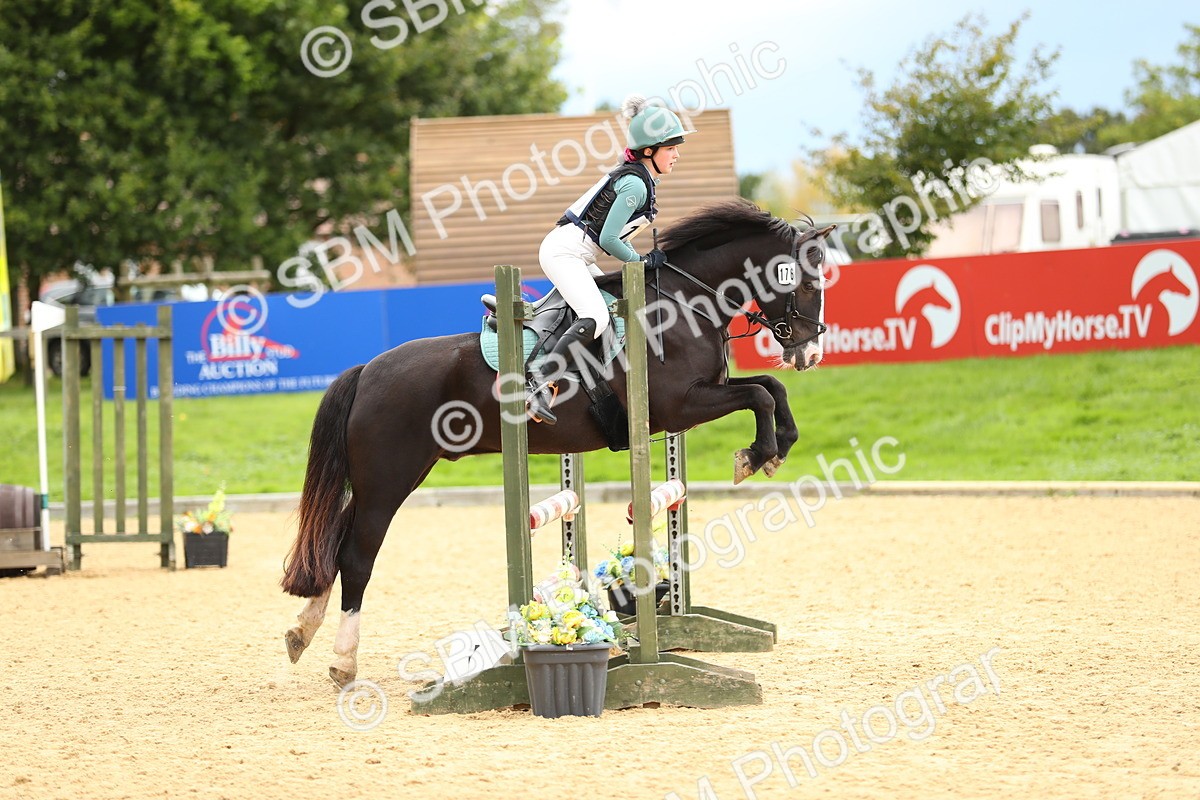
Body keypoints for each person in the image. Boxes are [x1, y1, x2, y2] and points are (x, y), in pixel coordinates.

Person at [528, 95, 695, 424]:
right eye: (671, 147)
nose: (677, 153)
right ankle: (539, 385)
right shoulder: (635, 185)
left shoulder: (640, 179)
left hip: (576, 250)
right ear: (649, 151)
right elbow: (609, 239)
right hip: (567, 251)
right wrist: (642, 261)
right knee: (596, 315)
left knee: (608, 304)